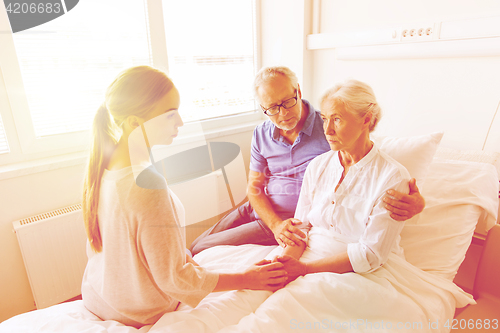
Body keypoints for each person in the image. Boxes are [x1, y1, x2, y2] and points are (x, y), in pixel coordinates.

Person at [80, 66, 287, 328]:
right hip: (136, 310)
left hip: (97, 294)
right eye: (169, 115)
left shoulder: (102, 166)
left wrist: (183, 258)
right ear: (134, 123)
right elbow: (174, 280)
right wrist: (248, 278)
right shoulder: (147, 184)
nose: (180, 122)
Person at [190, 66, 425, 256]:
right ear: (263, 108)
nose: (282, 114)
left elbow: (368, 161)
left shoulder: (330, 129)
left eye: (287, 102)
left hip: (288, 221)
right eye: (272, 108)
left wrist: (417, 203)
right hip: (260, 210)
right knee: (194, 246)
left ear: (298, 91)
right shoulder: (261, 133)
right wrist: (274, 224)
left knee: (201, 250)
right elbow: (254, 188)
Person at [276, 79, 415, 281]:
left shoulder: (393, 177)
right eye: (324, 119)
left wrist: (303, 270)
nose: (327, 130)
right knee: (252, 292)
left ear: (366, 119)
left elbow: (371, 255)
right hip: (304, 259)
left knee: (279, 308)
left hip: (358, 273)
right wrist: (283, 266)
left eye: (337, 119)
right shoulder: (317, 165)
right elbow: (301, 228)